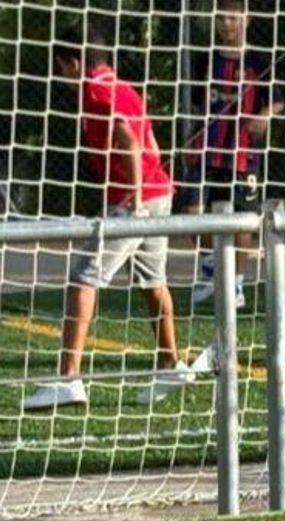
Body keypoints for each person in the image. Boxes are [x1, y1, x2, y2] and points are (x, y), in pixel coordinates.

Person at [24, 23, 192, 411]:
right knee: (154, 280)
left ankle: (68, 378)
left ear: (76, 62)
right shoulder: (124, 87)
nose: (60, 74)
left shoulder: (97, 91)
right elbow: (149, 139)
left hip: (136, 201)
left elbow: (130, 141)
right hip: (158, 194)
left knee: (83, 277)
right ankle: (170, 363)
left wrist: (133, 195)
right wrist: (157, 181)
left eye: (61, 65)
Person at [178, 0, 285, 309]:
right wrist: (191, 139)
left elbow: (278, 101)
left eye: (233, 16)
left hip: (242, 155)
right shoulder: (206, 61)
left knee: (243, 223)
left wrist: (265, 114)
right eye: (222, 17)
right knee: (193, 218)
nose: (227, 22)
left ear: (246, 19)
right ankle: (213, 265)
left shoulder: (258, 60)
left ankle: (235, 283)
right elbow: (201, 107)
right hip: (205, 152)